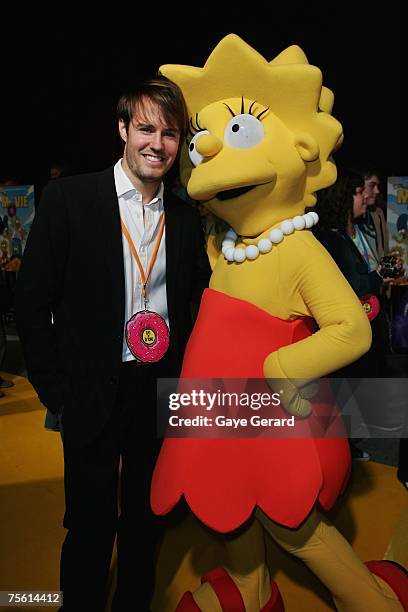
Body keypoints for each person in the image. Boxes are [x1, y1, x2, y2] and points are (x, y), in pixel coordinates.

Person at [14, 75, 211, 612]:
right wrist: (58, 392)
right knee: (89, 528)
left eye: (170, 134)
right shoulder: (71, 199)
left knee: (145, 526)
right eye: (146, 128)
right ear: (123, 129)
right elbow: (32, 304)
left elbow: (196, 305)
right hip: (91, 392)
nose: (158, 144)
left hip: (155, 393)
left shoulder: (189, 217)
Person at [313, 169, 393, 459]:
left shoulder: (345, 234)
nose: (364, 197)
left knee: (345, 393)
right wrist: (377, 276)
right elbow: (352, 285)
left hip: (359, 324)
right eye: (360, 192)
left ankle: (344, 447)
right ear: (345, 197)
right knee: (340, 393)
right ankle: (340, 450)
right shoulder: (332, 240)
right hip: (344, 328)